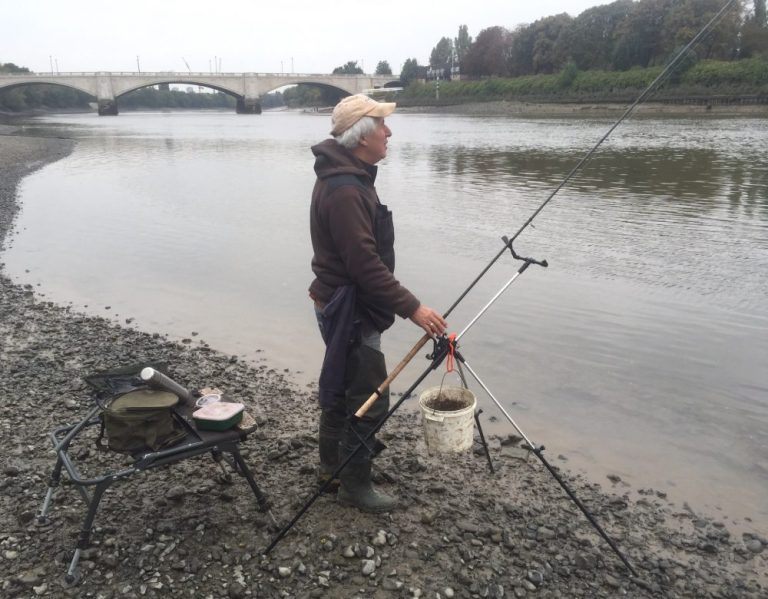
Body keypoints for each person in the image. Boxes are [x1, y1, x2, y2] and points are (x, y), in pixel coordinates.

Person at [309, 94, 447, 512]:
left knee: (342, 389)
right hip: (349, 311)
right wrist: (414, 309)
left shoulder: (344, 175)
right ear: (362, 136)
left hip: (335, 303)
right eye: (382, 126)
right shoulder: (346, 189)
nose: (389, 133)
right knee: (370, 397)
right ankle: (355, 485)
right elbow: (365, 266)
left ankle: (332, 467)